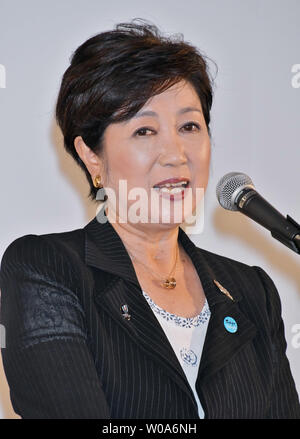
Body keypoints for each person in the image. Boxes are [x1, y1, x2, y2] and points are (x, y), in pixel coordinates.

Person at [0, 19, 299, 420]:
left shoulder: (252, 292)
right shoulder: (46, 269)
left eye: (190, 126)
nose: (175, 153)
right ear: (92, 155)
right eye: (144, 131)